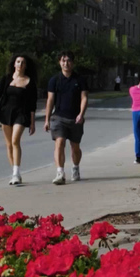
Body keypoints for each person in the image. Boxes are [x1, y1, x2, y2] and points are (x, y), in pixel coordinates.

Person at [0, 55, 38, 185]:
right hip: (5, 113)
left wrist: (32, 123)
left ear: (26, 66)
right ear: (14, 64)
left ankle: (16, 173)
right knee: (9, 144)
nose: (20, 64)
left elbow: (33, 104)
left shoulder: (29, 81)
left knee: (15, 140)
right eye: (18, 62)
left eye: (23, 62)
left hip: (21, 113)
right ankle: (15, 172)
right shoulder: (6, 79)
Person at [44, 51, 89, 185]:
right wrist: (47, 119)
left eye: (68, 61)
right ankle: (60, 172)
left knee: (75, 147)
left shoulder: (80, 80)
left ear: (73, 63)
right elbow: (50, 100)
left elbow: (84, 97)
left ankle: (75, 167)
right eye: (63, 61)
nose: (66, 63)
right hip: (58, 117)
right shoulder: (54, 80)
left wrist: (81, 114)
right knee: (60, 142)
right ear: (59, 62)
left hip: (75, 118)